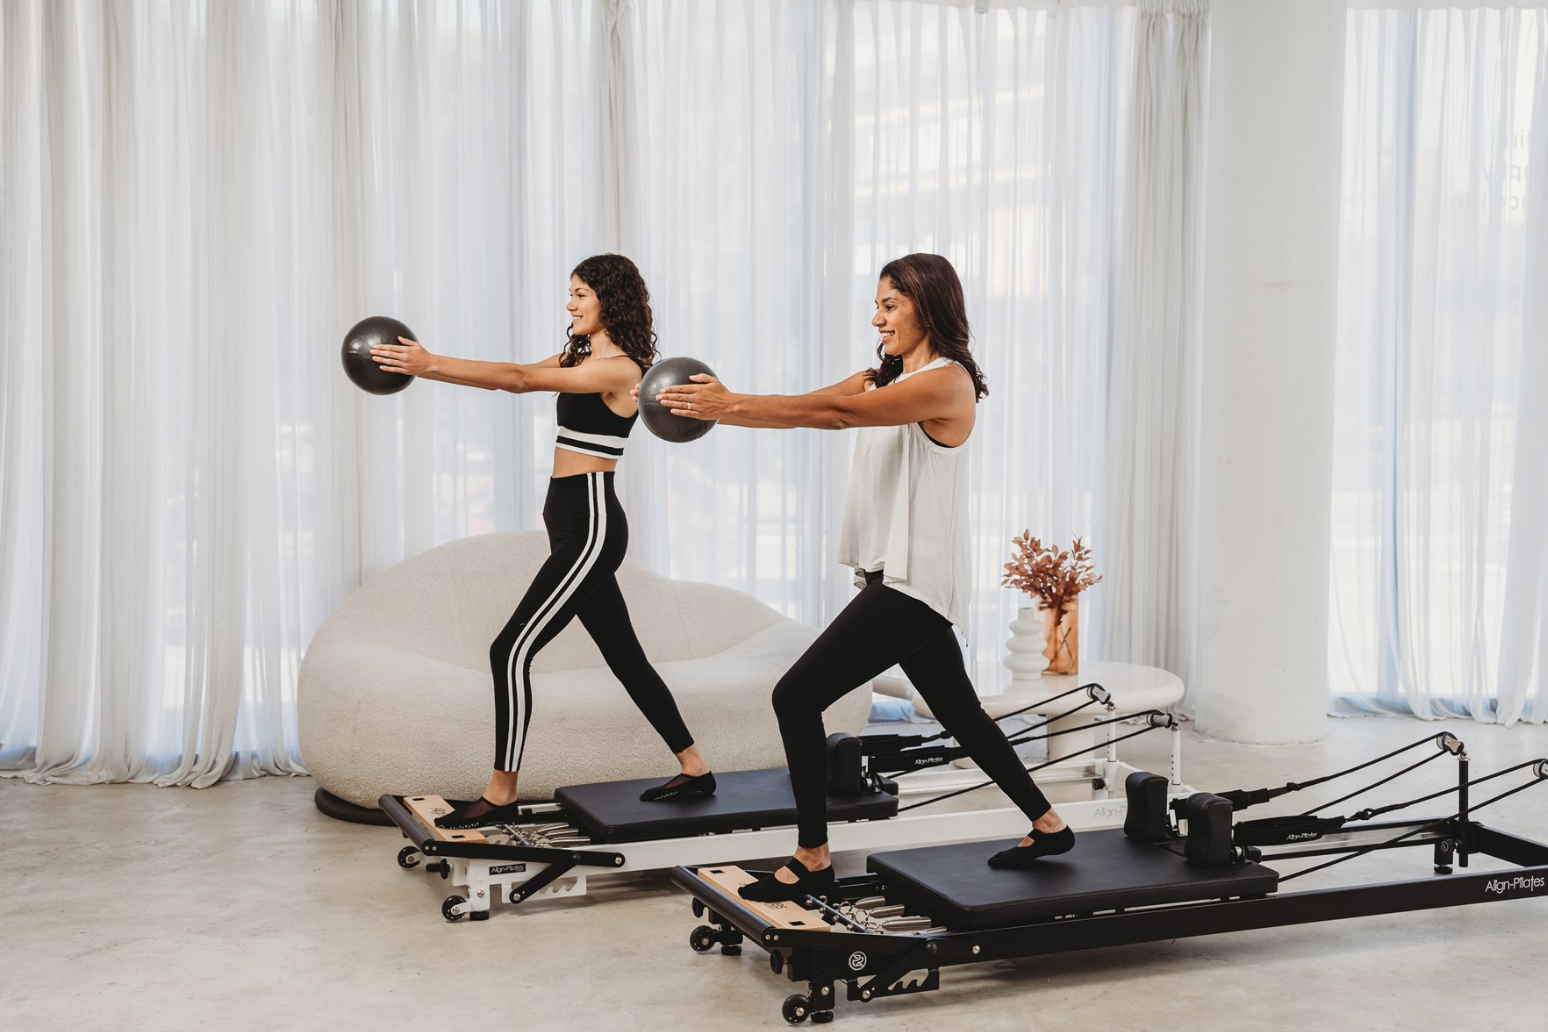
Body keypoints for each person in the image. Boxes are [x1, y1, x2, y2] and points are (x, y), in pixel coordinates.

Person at [653, 253, 1070, 901]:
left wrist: (728, 402)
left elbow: (837, 415)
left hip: (916, 583)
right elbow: (810, 406)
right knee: (960, 712)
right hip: (894, 578)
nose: (876, 318)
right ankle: (1048, 825)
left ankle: (812, 858)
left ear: (928, 306)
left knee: (795, 697)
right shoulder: (882, 377)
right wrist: (720, 408)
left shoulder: (946, 382)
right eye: (876, 305)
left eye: (889, 305)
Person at [372, 253, 715, 828]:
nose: (570, 303)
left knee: (509, 651)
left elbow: (519, 379)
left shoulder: (623, 370)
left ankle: (501, 792)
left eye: (580, 293)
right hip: (571, 525)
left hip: (592, 526)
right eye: (571, 292)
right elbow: (512, 376)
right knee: (625, 657)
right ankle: (695, 767)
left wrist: (427, 363)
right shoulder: (581, 358)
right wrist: (430, 368)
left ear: (610, 299)